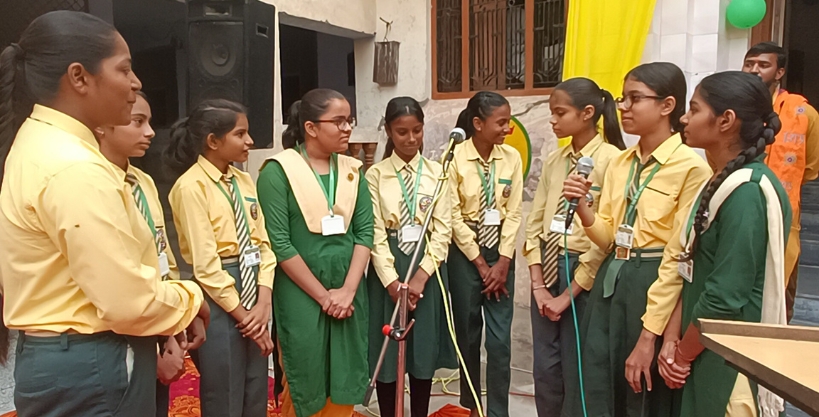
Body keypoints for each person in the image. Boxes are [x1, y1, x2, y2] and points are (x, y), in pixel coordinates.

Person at [0, 11, 207, 417]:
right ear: (79, 78)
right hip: (92, 362)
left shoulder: (38, 141)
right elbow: (128, 303)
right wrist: (192, 298)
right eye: (124, 69)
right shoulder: (75, 165)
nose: (136, 83)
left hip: (65, 359)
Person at [562, 62, 711, 417]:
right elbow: (608, 237)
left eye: (634, 98)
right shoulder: (621, 163)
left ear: (667, 105)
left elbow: (678, 257)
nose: (623, 107)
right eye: (622, 98)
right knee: (596, 384)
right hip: (612, 280)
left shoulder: (692, 168)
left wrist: (650, 335)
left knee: (640, 392)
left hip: (653, 284)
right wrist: (582, 208)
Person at [656, 71, 791, 417]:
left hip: (728, 362)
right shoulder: (721, 180)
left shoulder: (748, 192)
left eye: (694, 109)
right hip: (701, 345)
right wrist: (672, 341)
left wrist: (681, 355)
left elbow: (725, 295)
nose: (684, 118)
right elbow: (690, 267)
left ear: (726, 121)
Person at [256, 88, 373, 417]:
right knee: (304, 376)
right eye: (338, 121)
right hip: (302, 296)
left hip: (349, 295)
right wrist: (324, 297)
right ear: (310, 127)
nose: (348, 128)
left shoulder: (352, 171)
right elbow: (280, 243)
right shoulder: (277, 172)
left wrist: (348, 291)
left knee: (346, 372)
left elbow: (365, 233)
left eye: (349, 120)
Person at [165, 99, 276, 417]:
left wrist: (264, 300)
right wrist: (246, 318)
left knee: (256, 385)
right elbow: (206, 266)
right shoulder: (190, 188)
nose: (250, 141)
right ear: (213, 141)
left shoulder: (243, 181)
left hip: (254, 289)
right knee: (223, 388)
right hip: (219, 297)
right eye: (240, 134)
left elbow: (263, 245)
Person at [523, 77, 625, 416]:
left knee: (578, 367)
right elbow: (535, 222)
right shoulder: (555, 160)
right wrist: (537, 285)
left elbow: (607, 238)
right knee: (546, 369)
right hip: (548, 270)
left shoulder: (613, 160)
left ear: (587, 114)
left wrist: (568, 295)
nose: (552, 120)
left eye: (559, 112)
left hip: (582, 276)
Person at [95, 91, 187, 416]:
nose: (150, 132)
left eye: (149, 122)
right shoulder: (93, 184)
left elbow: (163, 256)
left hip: (157, 315)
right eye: (138, 122)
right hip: (122, 332)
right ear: (101, 128)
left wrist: (171, 334)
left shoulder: (144, 181)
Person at [365, 96, 457, 417]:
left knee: (422, 352)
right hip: (388, 270)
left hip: (425, 271)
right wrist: (392, 282)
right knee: (389, 355)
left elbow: (443, 230)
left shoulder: (437, 174)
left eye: (417, 130)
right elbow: (374, 234)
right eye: (402, 132)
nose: (411, 139)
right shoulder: (375, 176)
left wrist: (421, 277)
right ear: (389, 131)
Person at [448, 91, 523, 417]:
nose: (508, 128)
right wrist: (480, 263)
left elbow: (515, 212)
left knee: (499, 341)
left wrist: (503, 261)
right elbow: (451, 216)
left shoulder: (512, 158)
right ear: (478, 124)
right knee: (468, 332)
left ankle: (498, 411)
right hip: (466, 254)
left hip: (501, 254)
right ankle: (472, 405)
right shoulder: (453, 158)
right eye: (501, 122)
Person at [742, 42, 819, 321]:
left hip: (785, 218)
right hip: (741, 209)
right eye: (749, 64)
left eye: (763, 65)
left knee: (777, 302)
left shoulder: (804, 114)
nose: (754, 70)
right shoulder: (732, 108)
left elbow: (810, 169)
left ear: (779, 72)